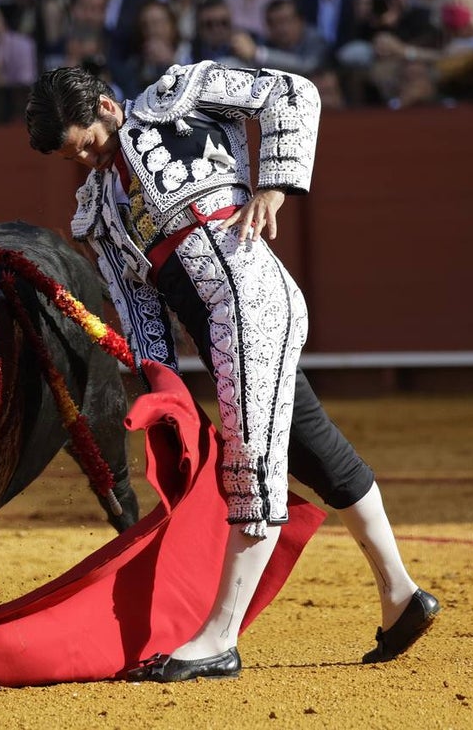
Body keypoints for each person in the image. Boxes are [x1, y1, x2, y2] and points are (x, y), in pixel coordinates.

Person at [24, 62, 439, 681]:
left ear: (107, 107)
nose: (86, 160)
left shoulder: (175, 98)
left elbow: (292, 92)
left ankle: (219, 638)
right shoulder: (96, 211)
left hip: (248, 296)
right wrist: (160, 383)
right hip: (221, 325)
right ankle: (402, 596)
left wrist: (274, 186)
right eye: (72, 157)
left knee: (251, 459)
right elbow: (139, 308)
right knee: (312, 449)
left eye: (87, 142)